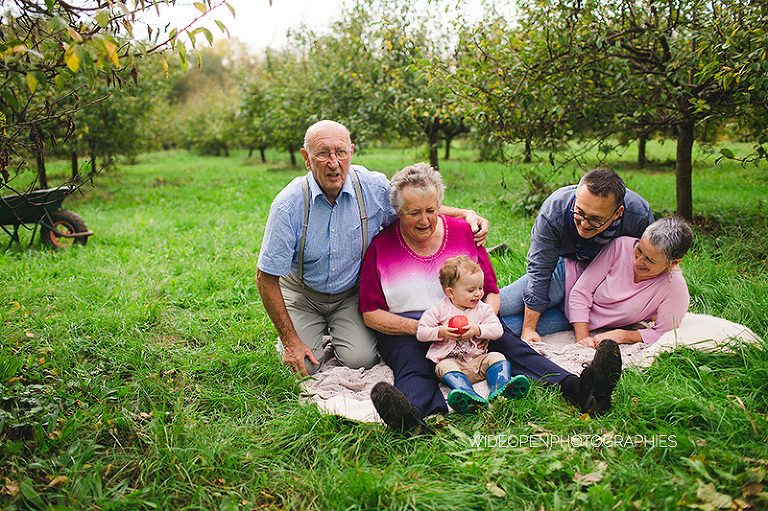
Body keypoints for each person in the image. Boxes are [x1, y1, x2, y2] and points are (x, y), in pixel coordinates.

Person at [360, 163, 623, 435]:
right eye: (414, 213)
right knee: (412, 365)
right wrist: (428, 330)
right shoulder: (380, 247)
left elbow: (491, 292)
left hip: (469, 318)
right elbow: (370, 314)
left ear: (440, 205)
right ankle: (411, 419)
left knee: (512, 346)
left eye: (431, 210)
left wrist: (480, 322)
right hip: (410, 329)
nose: (425, 220)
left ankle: (582, 390)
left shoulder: (463, 233)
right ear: (398, 211)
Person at [256, 120, 489, 377]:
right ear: (306, 159)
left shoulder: (372, 188)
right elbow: (265, 278)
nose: (334, 163)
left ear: (351, 152)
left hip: (349, 293)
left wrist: (464, 213)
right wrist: (290, 341)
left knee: (361, 359)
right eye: (322, 154)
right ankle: (300, 329)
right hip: (304, 294)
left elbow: (414, 206)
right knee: (305, 367)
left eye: (340, 152)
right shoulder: (289, 205)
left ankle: (331, 328)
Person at [499, 168, 655, 343]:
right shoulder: (554, 210)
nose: (584, 224)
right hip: (562, 274)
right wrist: (529, 329)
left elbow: (654, 263)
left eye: (595, 219)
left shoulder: (639, 216)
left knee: (504, 327)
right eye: (579, 212)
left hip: (592, 300)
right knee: (493, 308)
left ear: (618, 213)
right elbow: (540, 270)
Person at [416, 255, 531, 414]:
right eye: (471, 290)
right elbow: (421, 332)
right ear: (451, 292)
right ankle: (467, 394)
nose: (478, 294)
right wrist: (441, 331)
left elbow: (498, 330)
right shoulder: (440, 310)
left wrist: (477, 330)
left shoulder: (483, 309)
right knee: (444, 366)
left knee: (496, 356)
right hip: (453, 364)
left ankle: (501, 388)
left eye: (480, 287)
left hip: (478, 361)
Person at [569, 216, 693, 348]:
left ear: (673, 263)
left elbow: (664, 333)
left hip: (570, 318)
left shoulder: (674, 288)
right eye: (639, 249)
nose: (638, 261)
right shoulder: (621, 246)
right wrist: (583, 339)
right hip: (564, 280)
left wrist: (623, 335)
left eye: (649, 260)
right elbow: (581, 291)